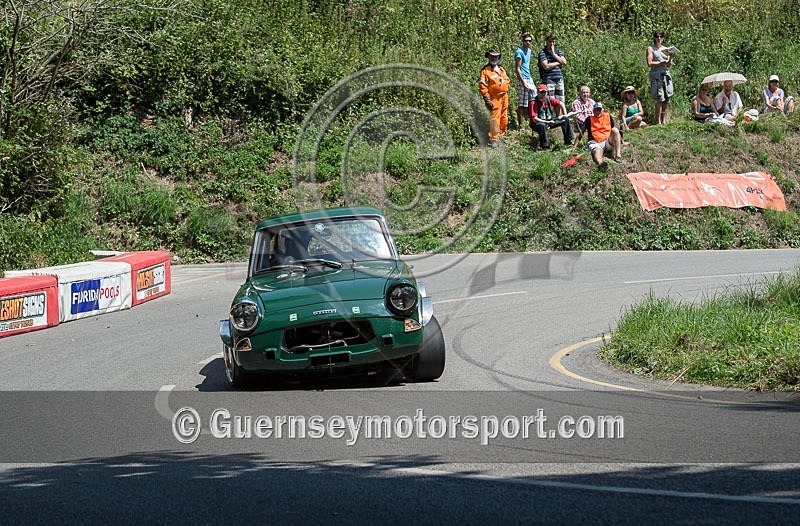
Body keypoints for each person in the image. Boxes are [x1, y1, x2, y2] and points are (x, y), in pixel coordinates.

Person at [478, 49, 510, 147]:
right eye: (492, 56)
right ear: (488, 57)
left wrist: (506, 88)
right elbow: (483, 86)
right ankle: (494, 139)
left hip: (504, 97)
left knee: (504, 118)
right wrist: (487, 99)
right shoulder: (485, 71)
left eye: (496, 56)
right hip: (494, 98)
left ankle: (501, 136)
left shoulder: (501, 69)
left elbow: (507, 80)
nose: (494, 58)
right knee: (494, 119)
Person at [529, 83, 573, 149]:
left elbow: (561, 104)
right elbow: (534, 119)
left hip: (549, 121)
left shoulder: (548, 99)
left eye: (545, 92)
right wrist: (547, 122)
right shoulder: (534, 102)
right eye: (541, 92)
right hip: (537, 123)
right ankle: (545, 146)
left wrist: (565, 115)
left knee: (565, 119)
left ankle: (568, 141)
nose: (543, 94)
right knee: (542, 125)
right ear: (538, 92)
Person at [646, 30, 675, 125]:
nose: (659, 38)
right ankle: (657, 121)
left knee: (667, 98)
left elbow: (669, 64)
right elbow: (649, 63)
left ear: (663, 38)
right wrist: (661, 63)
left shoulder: (666, 49)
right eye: (657, 36)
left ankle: (664, 120)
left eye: (661, 36)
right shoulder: (651, 48)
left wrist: (670, 57)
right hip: (656, 75)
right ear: (654, 37)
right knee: (660, 98)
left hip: (665, 74)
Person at [538, 34, 566, 103]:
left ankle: (560, 114)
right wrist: (558, 62)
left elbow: (564, 62)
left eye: (553, 42)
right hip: (549, 79)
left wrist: (554, 54)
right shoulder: (542, 53)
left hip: (559, 79)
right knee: (550, 101)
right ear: (546, 42)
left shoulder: (558, 51)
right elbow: (546, 66)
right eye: (550, 42)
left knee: (560, 101)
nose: (552, 44)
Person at [514, 34, 535, 127]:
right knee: (522, 103)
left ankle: (532, 121)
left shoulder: (529, 51)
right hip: (522, 79)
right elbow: (517, 68)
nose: (528, 42)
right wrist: (523, 82)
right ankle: (520, 125)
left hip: (528, 77)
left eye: (530, 41)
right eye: (526, 41)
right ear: (523, 41)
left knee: (534, 98)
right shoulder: (519, 52)